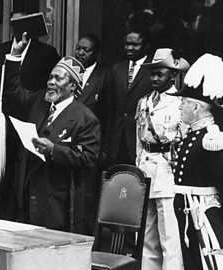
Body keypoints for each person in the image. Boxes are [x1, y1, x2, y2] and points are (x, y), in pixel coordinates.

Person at [3, 33, 101, 233]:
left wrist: (53, 150)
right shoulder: (39, 101)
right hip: (26, 199)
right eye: (50, 77)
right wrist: (14, 56)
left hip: (56, 206)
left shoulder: (85, 118)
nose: (50, 82)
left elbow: (89, 158)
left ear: (73, 86)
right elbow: (12, 93)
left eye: (58, 78)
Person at [170, 53, 223, 270]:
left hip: (204, 214)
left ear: (196, 107)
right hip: (188, 212)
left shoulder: (212, 138)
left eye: (183, 103)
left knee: (207, 264)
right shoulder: (193, 135)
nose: (180, 107)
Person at [0, 9, 60, 221]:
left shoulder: (46, 53)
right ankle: (4, 216)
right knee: (3, 173)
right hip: (4, 121)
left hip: (29, 120)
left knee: (23, 174)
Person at [136, 48, 189, 270]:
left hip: (168, 174)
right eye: (153, 74)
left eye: (160, 74)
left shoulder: (182, 104)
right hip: (147, 171)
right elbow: (138, 141)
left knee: (169, 236)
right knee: (147, 236)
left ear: (173, 75)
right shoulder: (144, 102)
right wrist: (137, 170)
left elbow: (185, 141)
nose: (155, 78)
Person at [73, 33, 111, 235]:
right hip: (67, 146)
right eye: (78, 48)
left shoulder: (104, 76)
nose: (80, 53)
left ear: (96, 53)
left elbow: (108, 114)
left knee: (88, 198)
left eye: (86, 50)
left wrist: (103, 149)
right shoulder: (68, 72)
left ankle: (88, 244)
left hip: (89, 147)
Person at [105, 25, 153, 166]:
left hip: (140, 141)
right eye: (127, 44)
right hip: (117, 141)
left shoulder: (152, 71)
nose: (129, 48)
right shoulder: (116, 69)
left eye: (135, 44)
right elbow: (110, 109)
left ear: (146, 46)